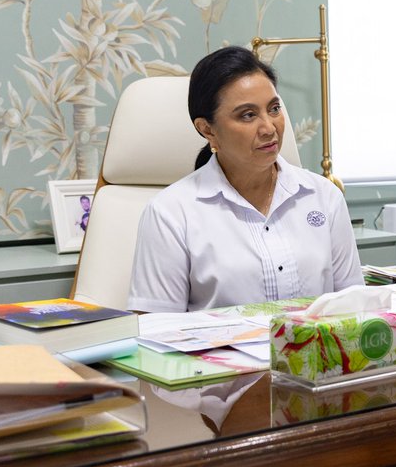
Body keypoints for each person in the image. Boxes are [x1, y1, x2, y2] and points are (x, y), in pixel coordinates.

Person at [127, 46, 362, 312]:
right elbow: (156, 327)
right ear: (207, 129)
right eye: (248, 115)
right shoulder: (170, 213)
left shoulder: (323, 196)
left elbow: (353, 306)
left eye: (274, 109)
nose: (269, 128)